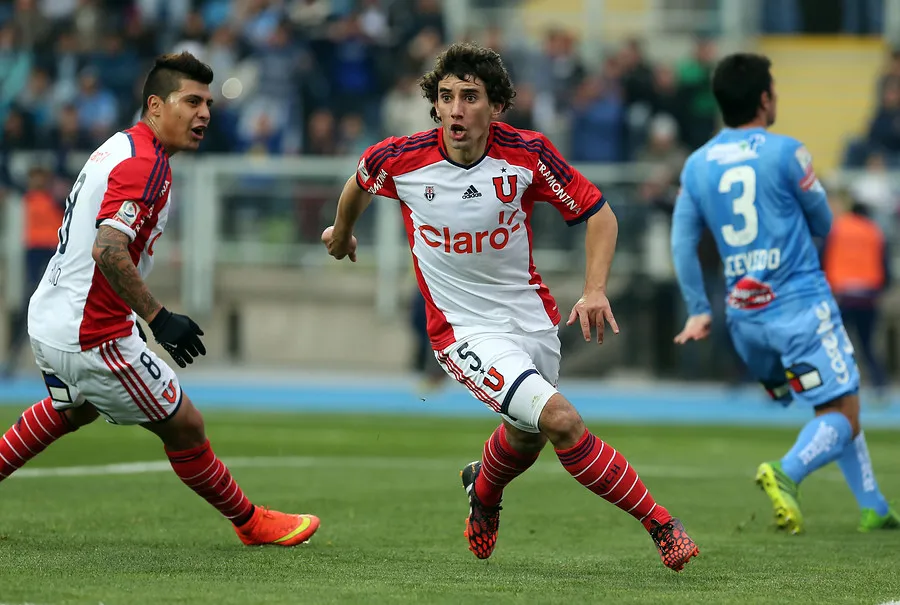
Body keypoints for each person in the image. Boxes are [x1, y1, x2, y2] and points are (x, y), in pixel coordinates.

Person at [322, 42, 699, 571]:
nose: (455, 109)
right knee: (562, 420)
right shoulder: (402, 158)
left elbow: (600, 214)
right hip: (463, 332)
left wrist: (594, 289)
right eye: (446, 97)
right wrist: (342, 234)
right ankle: (660, 522)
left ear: (496, 106)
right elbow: (361, 179)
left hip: (531, 320)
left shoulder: (527, 155)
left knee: (526, 439)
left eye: (470, 97)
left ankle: (484, 487)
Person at [0, 52, 319, 547]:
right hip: (92, 335)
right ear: (155, 106)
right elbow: (107, 249)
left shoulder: (120, 147)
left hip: (51, 319)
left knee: (76, 409)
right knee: (186, 426)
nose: (205, 114)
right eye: (191, 101)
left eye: (208, 103)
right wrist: (159, 318)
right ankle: (251, 523)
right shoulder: (145, 164)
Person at [671, 52, 898, 534]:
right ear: (765, 98)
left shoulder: (696, 165)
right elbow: (823, 222)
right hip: (799, 308)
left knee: (833, 403)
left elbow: (682, 241)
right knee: (847, 412)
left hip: (745, 323)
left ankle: (873, 504)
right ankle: (786, 472)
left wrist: (697, 309)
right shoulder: (786, 151)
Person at [821, 190, 890, 400]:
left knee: (835, 345)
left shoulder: (838, 228)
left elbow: (823, 257)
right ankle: (879, 386)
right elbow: (884, 266)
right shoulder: (874, 231)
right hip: (867, 296)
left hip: (842, 294)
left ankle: (829, 387)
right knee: (868, 344)